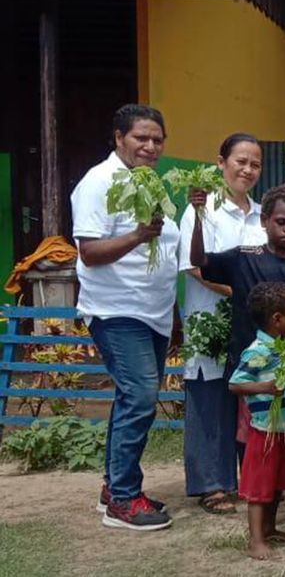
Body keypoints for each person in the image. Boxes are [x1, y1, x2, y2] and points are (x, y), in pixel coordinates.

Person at [188, 184, 285, 546]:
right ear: (264, 221)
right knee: (259, 451)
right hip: (256, 372)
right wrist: (198, 216)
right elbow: (201, 261)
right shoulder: (244, 257)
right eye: (281, 222)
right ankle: (258, 524)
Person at [73, 104, 179, 530]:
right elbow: (89, 252)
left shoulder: (148, 183)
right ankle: (123, 498)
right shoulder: (99, 182)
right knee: (139, 397)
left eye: (157, 139)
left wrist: (171, 314)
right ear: (119, 138)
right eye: (141, 137)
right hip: (117, 310)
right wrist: (138, 234)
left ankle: (113, 486)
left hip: (151, 312)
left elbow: (165, 253)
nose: (150, 146)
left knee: (131, 399)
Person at [178, 132, 267, 516]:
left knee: (247, 398)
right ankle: (212, 483)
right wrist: (243, 295)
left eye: (255, 164)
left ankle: (248, 480)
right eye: (240, 162)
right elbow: (196, 267)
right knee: (210, 397)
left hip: (251, 325)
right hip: (211, 317)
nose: (247, 170)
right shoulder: (204, 210)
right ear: (221, 162)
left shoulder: (262, 213)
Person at [228, 282, 285, 560]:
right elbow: (235, 384)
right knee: (260, 488)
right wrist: (265, 388)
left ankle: (271, 527)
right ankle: (256, 540)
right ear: (278, 320)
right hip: (266, 432)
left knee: (276, 485)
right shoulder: (258, 351)